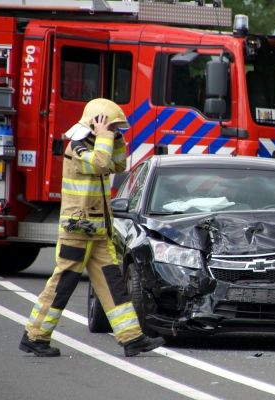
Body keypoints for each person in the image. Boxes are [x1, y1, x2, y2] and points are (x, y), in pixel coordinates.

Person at [19, 98, 165, 357]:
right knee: (62, 284)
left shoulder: (97, 144)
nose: (114, 131)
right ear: (95, 124)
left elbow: (118, 164)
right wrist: (103, 137)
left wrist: (114, 137)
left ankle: (131, 338)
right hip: (78, 231)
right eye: (112, 126)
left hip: (96, 232)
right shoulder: (77, 147)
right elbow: (99, 163)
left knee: (113, 284)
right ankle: (35, 335)